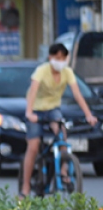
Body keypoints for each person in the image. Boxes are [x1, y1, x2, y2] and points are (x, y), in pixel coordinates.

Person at [20, 43, 98, 197]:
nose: (60, 61)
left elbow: (77, 94)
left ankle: (63, 171)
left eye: (63, 58)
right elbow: (33, 91)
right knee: (34, 146)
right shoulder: (41, 71)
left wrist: (89, 115)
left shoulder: (67, 72)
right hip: (36, 109)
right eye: (57, 58)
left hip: (53, 109)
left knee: (62, 135)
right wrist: (29, 113)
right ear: (50, 57)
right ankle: (25, 186)